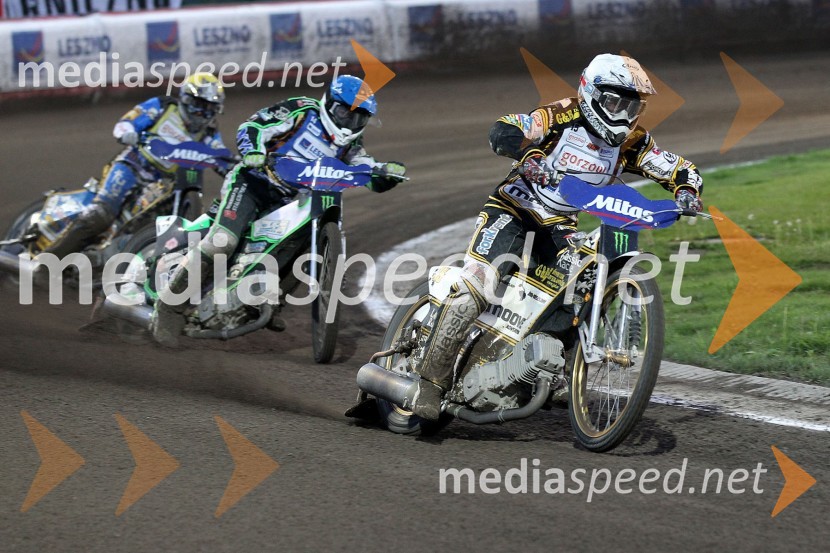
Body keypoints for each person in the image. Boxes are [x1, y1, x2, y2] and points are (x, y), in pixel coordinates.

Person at [409, 54, 704, 420]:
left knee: (582, 285)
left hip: (559, 227)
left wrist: (687, 190)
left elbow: (676, 166)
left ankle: (552, 364)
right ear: (592, 94)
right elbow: (505, 128)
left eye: (632, 105)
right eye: (615, 102)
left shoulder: (632, 141)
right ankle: (428, 383)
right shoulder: (562, 116)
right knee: (478, 288)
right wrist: (529, 154)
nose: (623, 113)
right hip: (514, 210)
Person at [151, 74, 408, 346]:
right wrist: (253, 150)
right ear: (329, 103)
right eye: (345, 112)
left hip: (288, 200)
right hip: (253, 184)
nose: (350, 122)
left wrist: (386, 173)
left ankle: (269, 302)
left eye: (359, 117)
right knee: (222, 242)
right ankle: (168, 309)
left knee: (304, 242)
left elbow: (365, 169)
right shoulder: (301, 110)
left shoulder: (351, 145)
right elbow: (253, 126)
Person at [44, 72, 227, 258]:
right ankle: (47, 261)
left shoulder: (209, 132)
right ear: (186, 99)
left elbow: (219, 154)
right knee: (101, 213)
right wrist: (129, 132)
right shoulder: (163, 107)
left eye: (210, 109)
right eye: (200, 106)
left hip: (165, 185)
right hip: (133, 166)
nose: (203, 114)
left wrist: (235, 167)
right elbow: (126, 123)